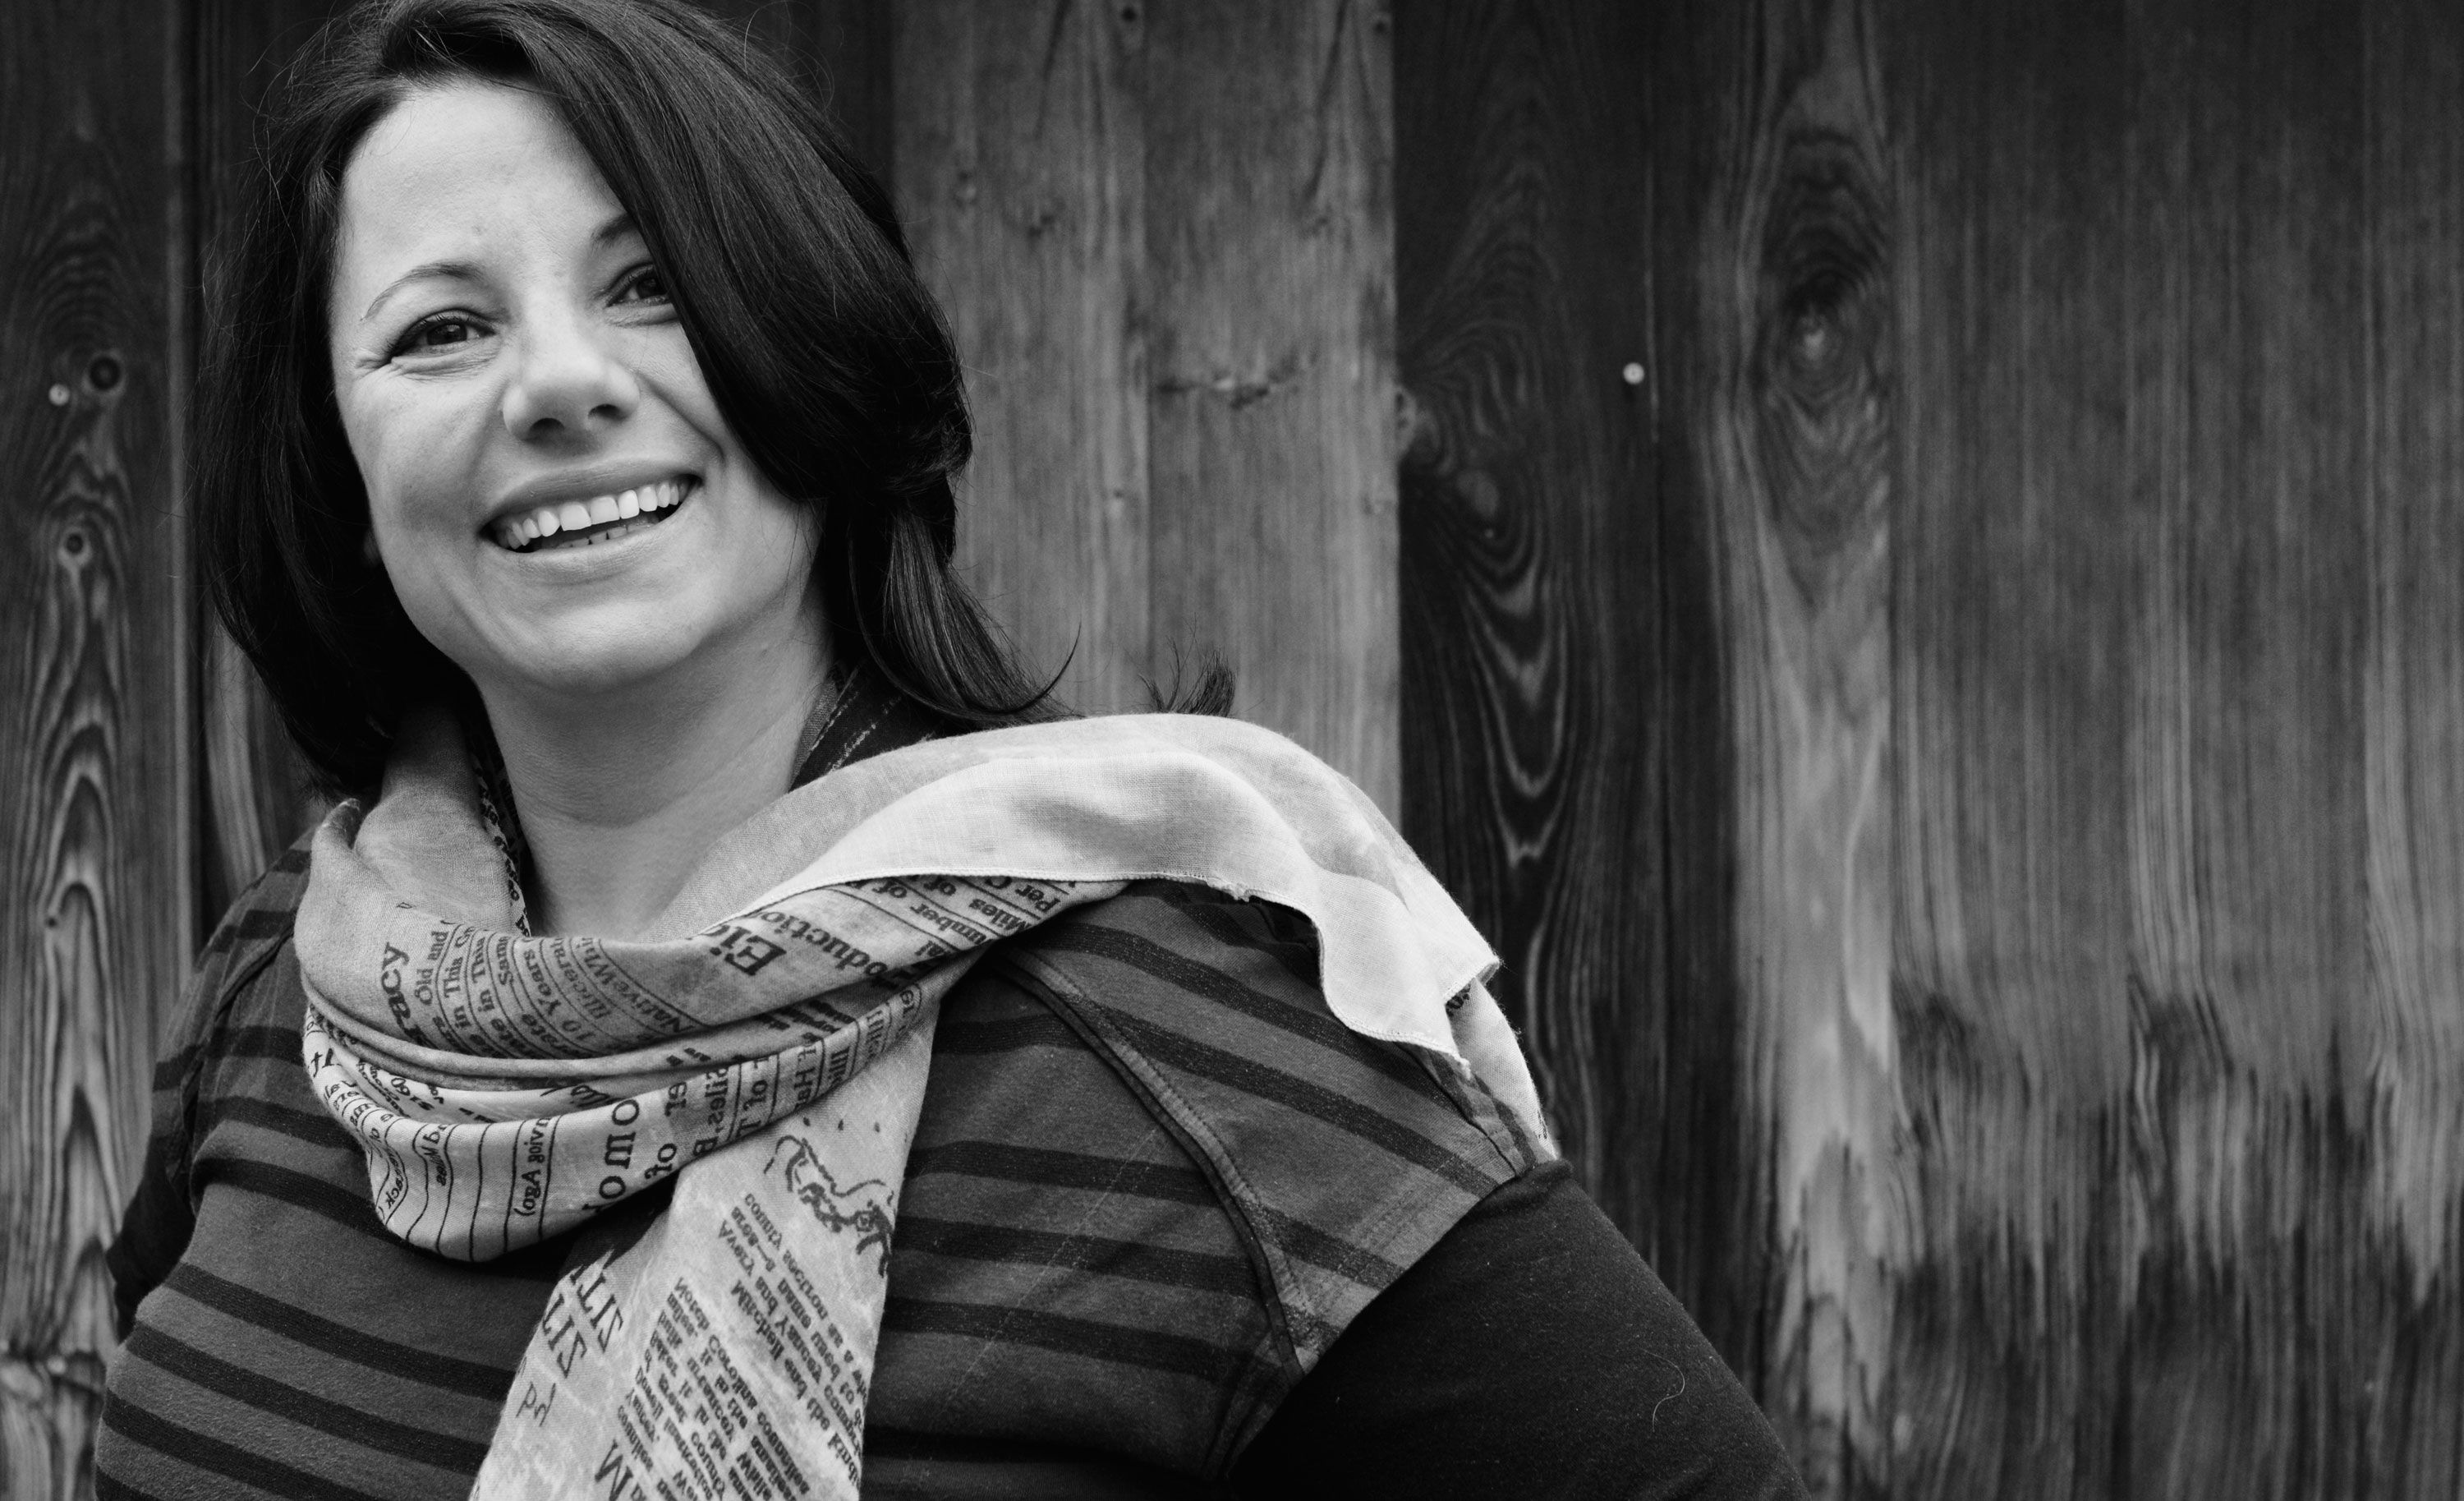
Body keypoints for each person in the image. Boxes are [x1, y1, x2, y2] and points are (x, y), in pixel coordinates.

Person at [96, 1, 1806, 1496]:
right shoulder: (291, 999)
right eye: (438, 328)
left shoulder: (1192, 1053)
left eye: (652, 287)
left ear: (809, 347)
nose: (555, 382)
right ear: (337, 463)